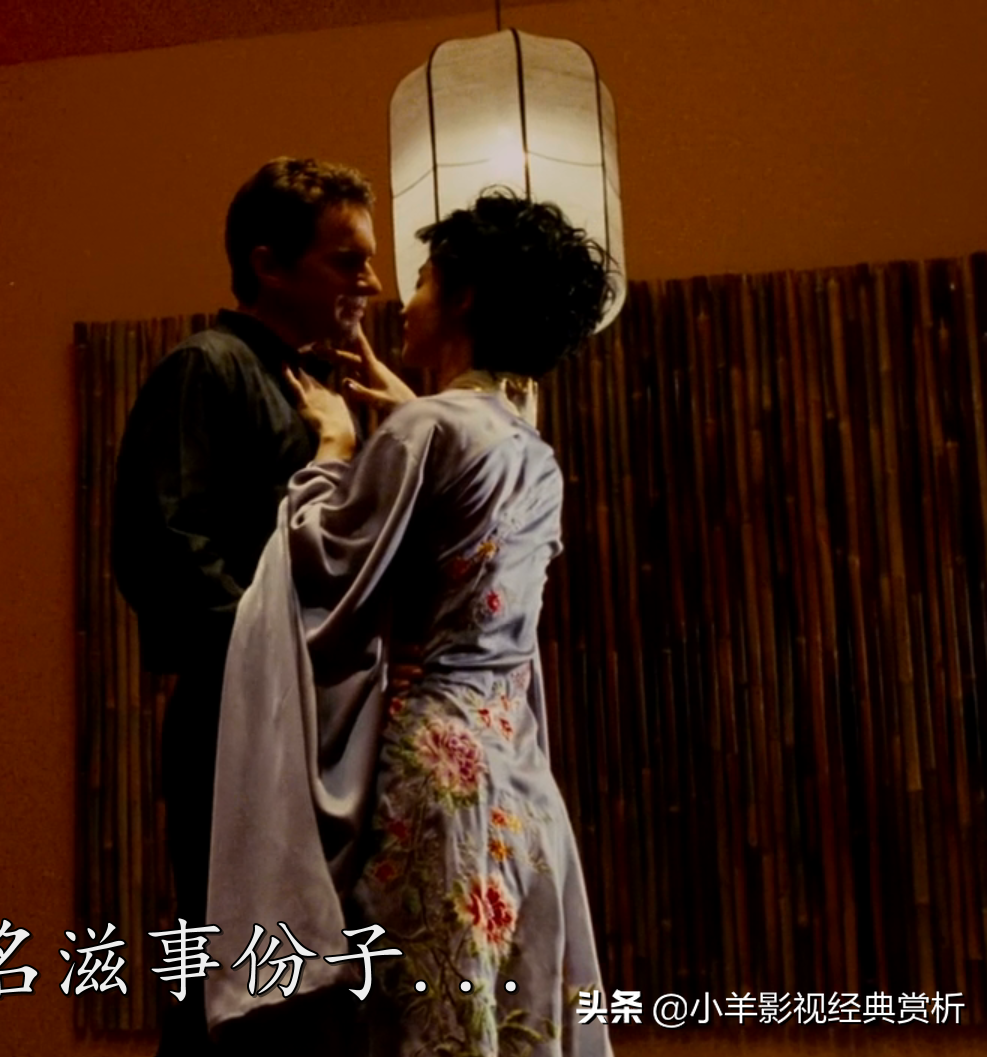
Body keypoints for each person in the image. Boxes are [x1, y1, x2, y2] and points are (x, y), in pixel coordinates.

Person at [206, 191, 615, 1057]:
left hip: (432, 771)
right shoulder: (529, 448)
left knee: (424, 1025)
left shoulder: (429, 427)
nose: (404, 298)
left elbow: (326, 560)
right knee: (487, 1014)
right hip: (515, 772)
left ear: (463, 298)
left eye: (424, 280)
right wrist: (409, 420)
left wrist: (332, 450)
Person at [111, 156, 382, 1056]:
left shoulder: (321, 387)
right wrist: (272, 665)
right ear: (268, 263)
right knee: (241, 981)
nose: (370, 283)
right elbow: (163, 547)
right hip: (239, 718)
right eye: (347, 260)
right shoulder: (206, 368)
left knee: (317, 980)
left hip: (314, 721)